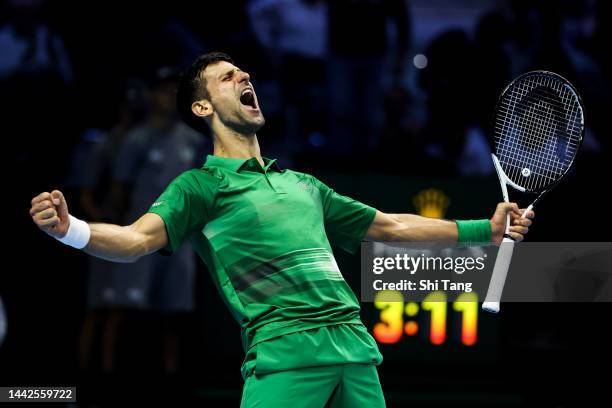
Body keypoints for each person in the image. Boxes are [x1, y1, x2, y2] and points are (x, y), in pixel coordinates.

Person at [30, 52, 534, 407]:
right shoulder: (199, 187)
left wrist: (480, 231)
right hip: (285, 354)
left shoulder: (304, 184)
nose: (243, 75)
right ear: (202, 107)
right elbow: (136, 240)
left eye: (242, 71)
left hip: (356, 353)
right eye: (227, 77)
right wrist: (70, 229)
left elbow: (388, 226)